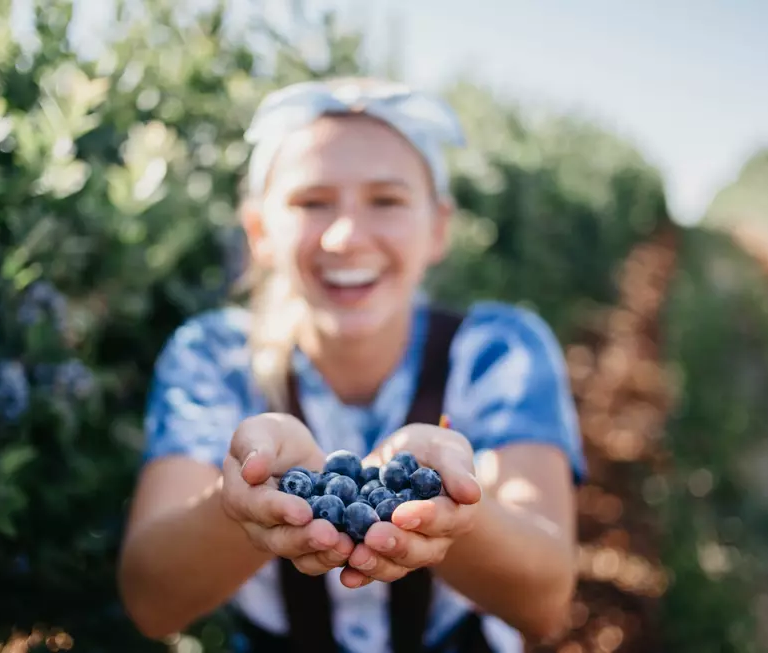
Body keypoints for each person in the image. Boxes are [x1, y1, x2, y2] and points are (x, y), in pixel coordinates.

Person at [116, 77, 587, 653]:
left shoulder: (498, 352)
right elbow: (150, 601)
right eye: (312, 203)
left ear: (438, 227)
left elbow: (545, 604)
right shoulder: (213, 358)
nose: (345, 236)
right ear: (260, 232)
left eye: (386, 201)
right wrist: (239, 506)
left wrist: (455, 516)